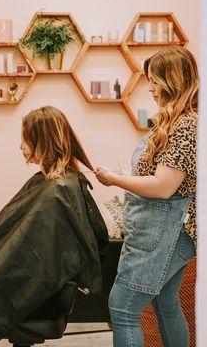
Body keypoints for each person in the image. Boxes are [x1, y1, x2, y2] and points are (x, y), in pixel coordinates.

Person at [0, 106, 108, 347]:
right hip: (25, 280)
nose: (20, 146)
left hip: (36, 294)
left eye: (25, 139)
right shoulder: (56, 184)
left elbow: (24, 257)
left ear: (42, 141)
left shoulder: (57, 191)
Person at [95, 46, 198, 347]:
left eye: (155, 80)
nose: (150, 88)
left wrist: (115, 180)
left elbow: (164, 186)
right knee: (166, 303)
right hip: (160, 228)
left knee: (122, 307)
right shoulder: (173, 121)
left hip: (166, 230)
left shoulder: (186, 126)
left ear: (174, 80)